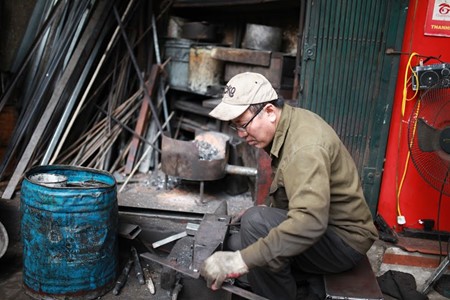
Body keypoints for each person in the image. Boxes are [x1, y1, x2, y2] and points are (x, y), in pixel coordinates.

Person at [200, 72, 379, 300]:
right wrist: (267, 210)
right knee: (248, 228)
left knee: (254, 230)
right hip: (330, 228)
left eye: (242, 125)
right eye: (236, 127)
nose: (242, 135)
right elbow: (292, 187)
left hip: (343, 243)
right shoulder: (290, 123)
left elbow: (310, 222)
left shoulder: (305, 148)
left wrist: (240, 261)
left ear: (270, 112)